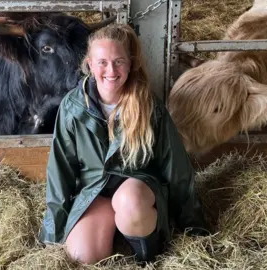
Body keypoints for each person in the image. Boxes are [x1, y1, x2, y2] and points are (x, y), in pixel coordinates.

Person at [39, 23, 207, 265]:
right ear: (89, 63)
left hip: (138, 190)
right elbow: (60, 169)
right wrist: (52, 232)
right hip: (95, 192)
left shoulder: (149, 106)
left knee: (129, 201)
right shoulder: (72, 107)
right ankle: (115, 234)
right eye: (102, 62)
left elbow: (175, 166)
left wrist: (193, 225)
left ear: (131, 63)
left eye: (119, 61)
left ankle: (147, 257)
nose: (111, 70)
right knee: (82, 256)